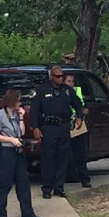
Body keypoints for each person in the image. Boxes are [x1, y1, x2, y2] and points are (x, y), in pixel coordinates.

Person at [0, 90, 43, 217]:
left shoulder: (15, 114)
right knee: (5, 183)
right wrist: (11, 140)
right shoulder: (1, 114)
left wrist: (21, 118)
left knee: (23, 183)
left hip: (17, 151)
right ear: (12, 101)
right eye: (19, 100)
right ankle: (1, 215)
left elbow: (22, 132)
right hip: (6, 151)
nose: (20, 103)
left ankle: (28, 214)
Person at [30, 66, 83, 199]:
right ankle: (47, 188)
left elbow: (77, 103)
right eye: (58, 76)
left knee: (62, 158)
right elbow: (34, 111)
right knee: (48, 158)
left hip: (63, 126)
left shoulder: (67, 90)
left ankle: (59, 187)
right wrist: (36, 127)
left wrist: (79, 116)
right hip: (49, 127)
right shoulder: (42, 90)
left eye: (62, 76)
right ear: (51, 76)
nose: (61, 78)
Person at [63, 73, 91, 188]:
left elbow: (84, 108)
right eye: (68, 81)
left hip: (78, 125)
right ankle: (68, 177)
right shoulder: (60, 92)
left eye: (72, 81)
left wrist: (81, 113)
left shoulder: (76, 91)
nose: (70, 83)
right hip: (65, 125)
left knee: (81, 154)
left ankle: (84, 178)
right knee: (66, 154)